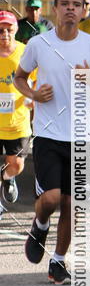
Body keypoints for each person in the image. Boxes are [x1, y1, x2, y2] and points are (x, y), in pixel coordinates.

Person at [14, 0, 90, 283]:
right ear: (55, 9)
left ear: (84, 10)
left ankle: (58, 261)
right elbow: (19, 77)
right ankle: (40, 223)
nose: (71, 9)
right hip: (48, 133)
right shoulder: (38, 43)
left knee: (72, 204)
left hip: (83, 135)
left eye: (77, 5)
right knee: (52, 198)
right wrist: (33, 93)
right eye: (65, 4)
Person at [0, 11, 34, 211]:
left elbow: (38, 79)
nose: (4, 34)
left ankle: (7, 177)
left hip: (18, 121)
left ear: (16, 30)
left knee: (17, 165)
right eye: (1, 30)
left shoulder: (25, 53)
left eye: (9, 29)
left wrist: (33, 96)